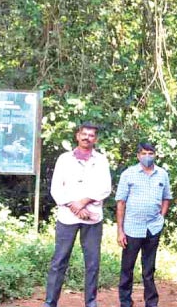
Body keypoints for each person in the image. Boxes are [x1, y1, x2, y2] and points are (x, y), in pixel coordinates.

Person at [43, 122, 112, 307]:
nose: (87, 138)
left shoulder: (102, 160)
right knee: (59, 261)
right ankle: (50, 302)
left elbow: (105, 188)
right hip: (67, 217)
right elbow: (56, 189)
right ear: (77, 136)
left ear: (95, 139)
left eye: (91, 135)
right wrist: (75, 207)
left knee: (92, 262)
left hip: (92, 218)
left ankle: (90, 302)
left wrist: (82, 203)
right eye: (84, 134)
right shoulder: (64, 159)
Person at [116, 142, 173, 307]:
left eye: (150, 153)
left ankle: (151, 302)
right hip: (132, 228)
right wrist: (120, 230)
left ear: (155, 155)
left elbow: (166, 198)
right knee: (127, 268)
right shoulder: (129, 174)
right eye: (144, 153)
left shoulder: (162, 174)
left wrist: (161, 217)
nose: (147, 156)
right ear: (138, 156)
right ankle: (125, 302)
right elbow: (121, 203)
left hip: (153, 228)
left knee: (149, 269)